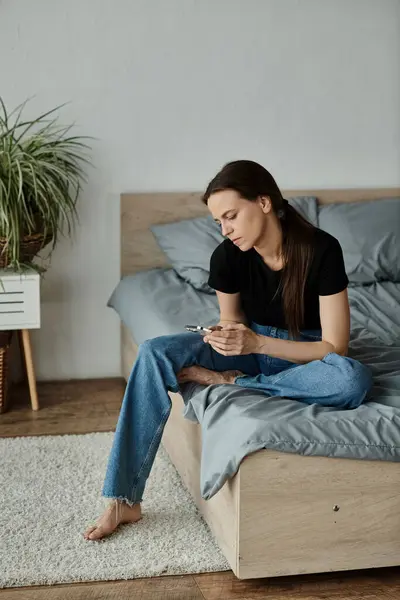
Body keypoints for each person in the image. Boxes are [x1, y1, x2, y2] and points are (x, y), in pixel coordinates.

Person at [84, 159, 372, 541]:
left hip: (303, 353)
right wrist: (225, 335)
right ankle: (124, 499)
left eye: (232, 216)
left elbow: (334, 346)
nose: (226, 229)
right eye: (218, 221)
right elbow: (233, 320)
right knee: (154, 351)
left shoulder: (321, 250)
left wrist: (256, 346)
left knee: (352, 378)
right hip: (249, 348)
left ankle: (238, 383)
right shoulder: (226, 256)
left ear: (264, 202)